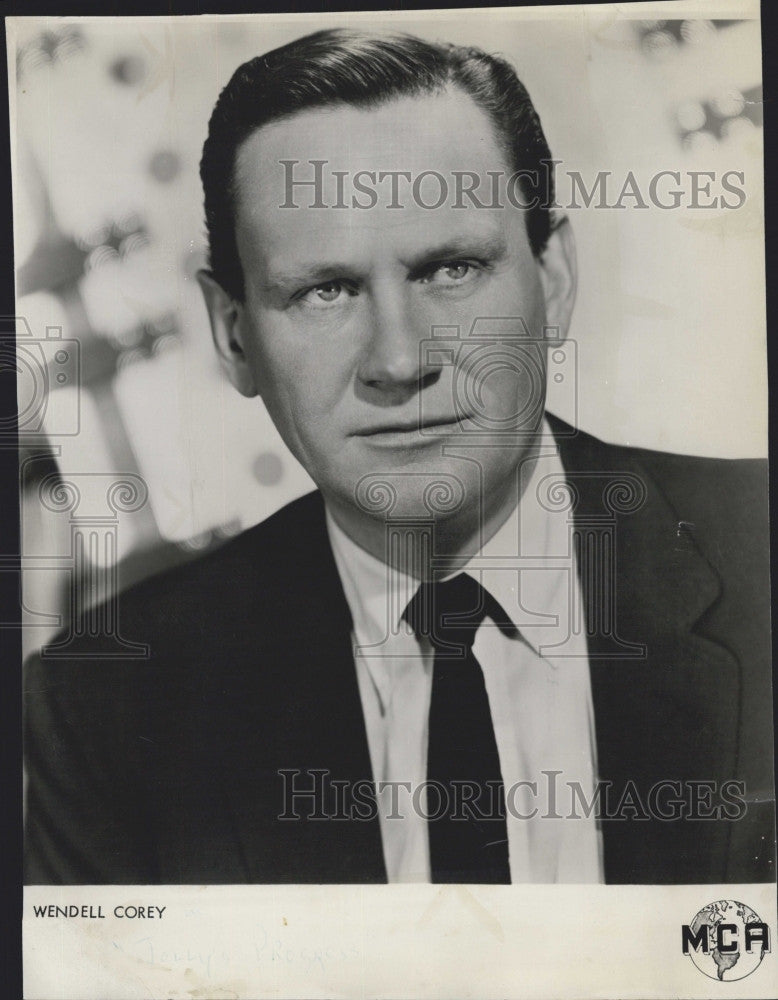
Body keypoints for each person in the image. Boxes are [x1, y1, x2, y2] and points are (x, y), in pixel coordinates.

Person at [24, 29, 773, 885]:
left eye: (451, 270)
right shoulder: (106, 711)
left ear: (555, 276)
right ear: (232, 333)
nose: (398, 359)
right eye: (325, 290)